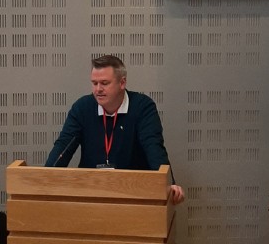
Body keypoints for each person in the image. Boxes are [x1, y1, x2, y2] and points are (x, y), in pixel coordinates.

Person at [45, 55, 185, 205]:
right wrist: (44, 179)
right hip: (91, 193)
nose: (98, 89)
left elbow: (154, 147)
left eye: (104, 83)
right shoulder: (82, 108)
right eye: (94, 83)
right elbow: (63, 146)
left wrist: (167, 184)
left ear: (122, 82)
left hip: (134, 193)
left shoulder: (142, 107)